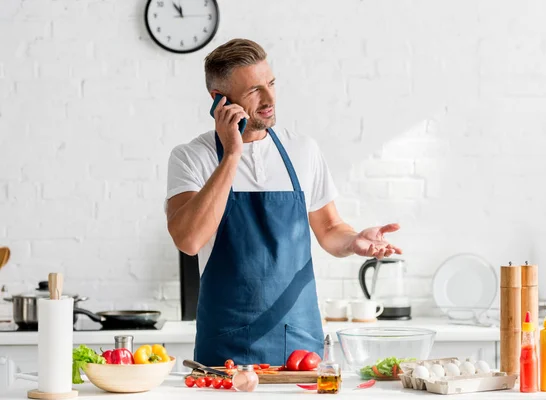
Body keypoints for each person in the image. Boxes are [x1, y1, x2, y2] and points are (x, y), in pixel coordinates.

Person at [165, 38, 402, 366]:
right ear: (218, 100)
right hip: (226, 347)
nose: (269, 98)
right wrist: (232, 153)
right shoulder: (192, 157)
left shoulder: (303, 150)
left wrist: (354, 241)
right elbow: (188, 240)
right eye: (253, 91)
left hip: (301, 343)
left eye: (271, 83)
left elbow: (331, 229)